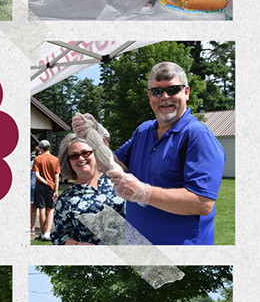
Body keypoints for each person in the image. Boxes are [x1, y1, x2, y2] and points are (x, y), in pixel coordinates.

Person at [76, 62, 225, 245]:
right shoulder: (143, 130)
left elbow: (203, 203)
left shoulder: (197, 135)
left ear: (186, 92)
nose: (164, 97)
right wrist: (95, 138)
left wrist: (143, 192)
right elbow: (113, 167)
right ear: (149, 96)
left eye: (173, 90)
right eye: (157, 91)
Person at [51, 133, 125, 245]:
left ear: (96, 153)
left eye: (85, 153)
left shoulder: (118, 181)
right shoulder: (65, 199)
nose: (81, 158)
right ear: (69, 161)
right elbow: (58, 237)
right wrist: (78, 245)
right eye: (74, 156)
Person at [32, 140, 60, 242]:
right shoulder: (55, 160)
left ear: (40, 148)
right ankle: (48, 234)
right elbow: (57, 177)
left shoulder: (37, 159)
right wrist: (55, 190)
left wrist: (45, 182)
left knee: (42, 209)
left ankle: (43, 234)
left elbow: (37, 175)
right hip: (52, 187)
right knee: (51, 210)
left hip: (40, 186)